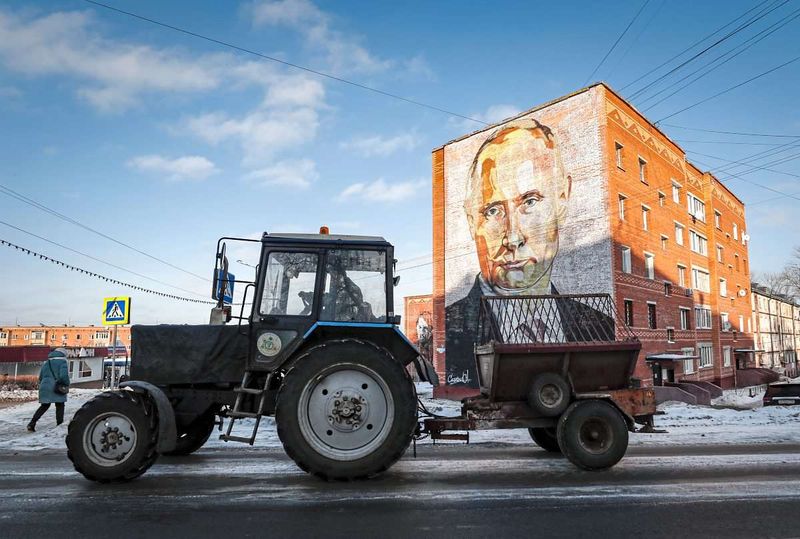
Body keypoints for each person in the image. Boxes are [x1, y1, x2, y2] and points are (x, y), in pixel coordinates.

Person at [445, 119, 612, 388]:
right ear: (470, 219)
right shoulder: (453, 326)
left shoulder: (598, 325)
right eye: (493, 211)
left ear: (562, 199)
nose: (512, 237)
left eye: (530, 202)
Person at [27, 348, 70, 432]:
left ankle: (32, 423)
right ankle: (59, 425)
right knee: (60, 405)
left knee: (44, 406)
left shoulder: (46, 363)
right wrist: (66, 383)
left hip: (44, 386)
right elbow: (63, 376)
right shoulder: (62, 362)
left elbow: (40, 377)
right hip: (56, 386)